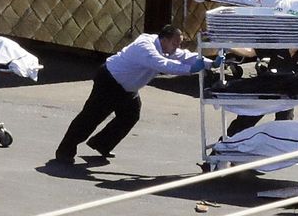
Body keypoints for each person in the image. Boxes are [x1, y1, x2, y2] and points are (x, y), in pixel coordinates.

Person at [54, 25, 218, 165]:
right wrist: (190, 69)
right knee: (91, 117)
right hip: (110, 81)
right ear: (164, 40)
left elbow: (183, 56)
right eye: (175, 43)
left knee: (130, 115)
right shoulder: (145, 46)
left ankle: (101, 144)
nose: (177, 47)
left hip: (128, 88)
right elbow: (163, 65)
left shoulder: (166, 47)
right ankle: (65, 151)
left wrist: (208, 63)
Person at [225, 48, 298, 137]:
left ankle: (280, 147)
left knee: (284, 123)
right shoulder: (277, 47)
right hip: (267, 89)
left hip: (287, 93)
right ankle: (226, 143)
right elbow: (250, 52)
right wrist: (228, 46)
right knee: (246, 120)